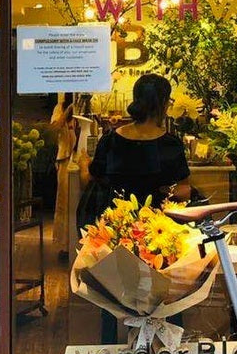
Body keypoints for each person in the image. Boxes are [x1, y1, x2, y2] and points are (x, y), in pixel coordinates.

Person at [77, 73, 193, 222]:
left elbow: (90, 182)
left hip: (117, 226)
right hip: (158, 228)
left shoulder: (110, 140)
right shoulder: (170, 144)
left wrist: (84, 164)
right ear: (164, 104)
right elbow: (184, 192)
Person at [50, 94, 76, 260]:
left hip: (83, 157)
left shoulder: (89, 104)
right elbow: (53, 129)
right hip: (66, 159)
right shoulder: (60, 107)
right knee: (65, 203)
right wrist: (67, 112)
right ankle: (65, 245)